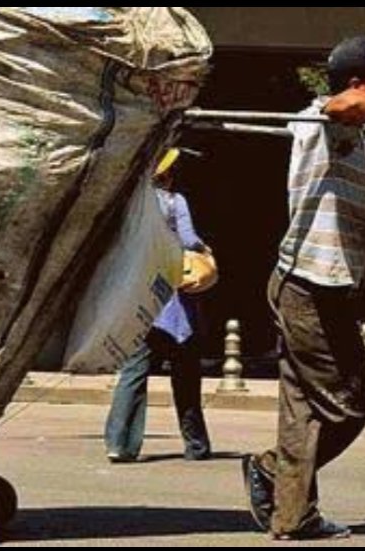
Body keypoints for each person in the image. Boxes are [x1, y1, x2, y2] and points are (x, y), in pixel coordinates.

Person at [242, 35, 365, 541]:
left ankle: (294, 516)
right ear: (356, 80)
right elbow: (346, 104)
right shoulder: (321, 117)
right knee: (348, 404)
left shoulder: (355, 139)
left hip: (322, 286)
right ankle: (272, 468)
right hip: (306, 284)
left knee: (303, 406)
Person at [104, 148, 213, 463]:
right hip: (174, 303)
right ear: (168, 173)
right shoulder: (174, 202)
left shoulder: (134, 205)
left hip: (139, 300)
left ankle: (119, 444)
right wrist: (206, 249)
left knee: (133, 371)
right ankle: (196, 446)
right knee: (187, 376)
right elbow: (190, 239)